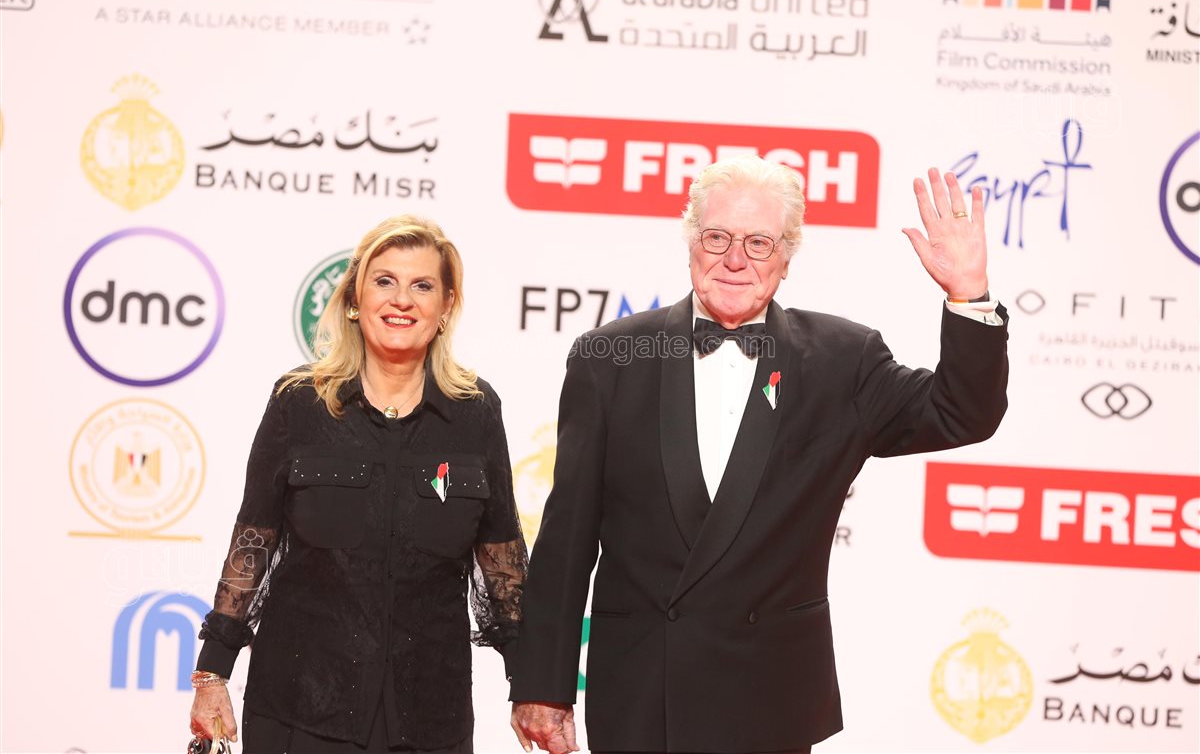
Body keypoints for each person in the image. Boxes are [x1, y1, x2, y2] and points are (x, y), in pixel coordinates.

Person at [509, 157, 1008, 754]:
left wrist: (969, 295)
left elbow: (961, 414)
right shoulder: (609, 358)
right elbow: (567, 538)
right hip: (641, 693)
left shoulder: (843, 361)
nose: (735, 259)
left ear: (787, 257)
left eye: (759, 243)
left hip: (771, 699)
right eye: (717, 237)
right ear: (690, 243)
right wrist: (543, 685)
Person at [188, 216, 527, 754]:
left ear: (445, 306)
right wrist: (213, 674)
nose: (402, 300)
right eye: (384, 281)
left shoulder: (476, 411)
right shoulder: (299, 402)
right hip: (300, 707)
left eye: (422, 286)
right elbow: (253, 542)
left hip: (429, 717)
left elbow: (502, 559)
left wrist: (531, 684)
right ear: (354, 298)